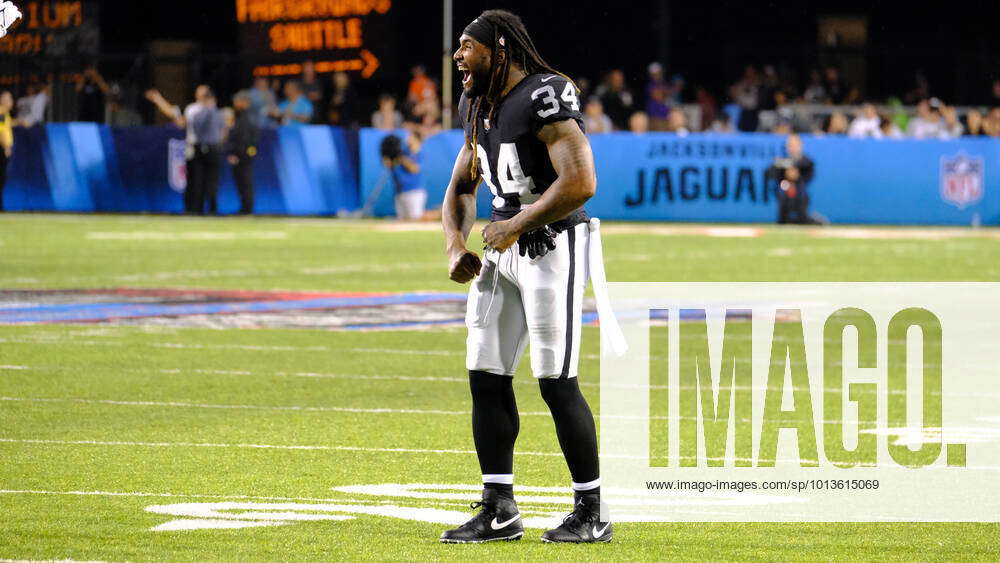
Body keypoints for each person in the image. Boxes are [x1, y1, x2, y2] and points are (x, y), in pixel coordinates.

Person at [442, 9, 614, 544]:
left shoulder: (546, 92)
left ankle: (592, 511)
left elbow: (582, 181)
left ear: (500, 49)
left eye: (468, 46)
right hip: (502, 245)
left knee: (555, 380)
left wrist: (516, 223)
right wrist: (454, 245)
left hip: (551, 243)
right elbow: (460, 188)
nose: (458, 56)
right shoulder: (477, 103)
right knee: (485, 374)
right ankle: (499, 508)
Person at [146, 85, 225, 214]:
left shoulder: (214, 110)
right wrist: (158, 99)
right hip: (195, 148)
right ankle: (194, 209)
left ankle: (210, 210)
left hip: (209, 148)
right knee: (195, 180)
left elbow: (223, 129)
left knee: (209, 181)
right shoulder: (193, 109)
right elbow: (175, 115)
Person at [768, 134, 816, 224]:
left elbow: (808, 173)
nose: (792, 148)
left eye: (794, 145)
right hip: (785, 187)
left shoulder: (806, 161)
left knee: (802, 207)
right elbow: (773, 173)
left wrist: (796, 175)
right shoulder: (781, 161)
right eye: (790, 145)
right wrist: (787, 174)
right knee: (782, 192)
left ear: (800, 145)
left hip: (800, 189)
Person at [381, 127, 427, 220]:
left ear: (416, 139)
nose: (407, 138)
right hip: (400, 191)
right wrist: (387, 156)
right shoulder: (403, 151)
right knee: (402, 220)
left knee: (416, 219)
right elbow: (390, 165)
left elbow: (414, 168)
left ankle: (439, 216)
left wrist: (400, 157)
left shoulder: (420, 153)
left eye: (410, 136)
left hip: (414, 192)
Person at [226, 91, 260, 215]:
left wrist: (240, 154)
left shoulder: (247, 117)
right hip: (242, 154)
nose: (235, 104)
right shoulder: (240, 116)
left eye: (237, 101)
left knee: (245, 182)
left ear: (245, 102)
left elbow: (246, 139)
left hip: (243, 155)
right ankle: (245, 207)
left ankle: (247, 208)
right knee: (242, 182)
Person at [0, 91, 13, 211]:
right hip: (1, 148)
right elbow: (1, 130)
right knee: (1, 177)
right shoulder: (2, 113)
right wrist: (6, 147)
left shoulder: (5, 114)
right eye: (9, 99)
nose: (11, 102)